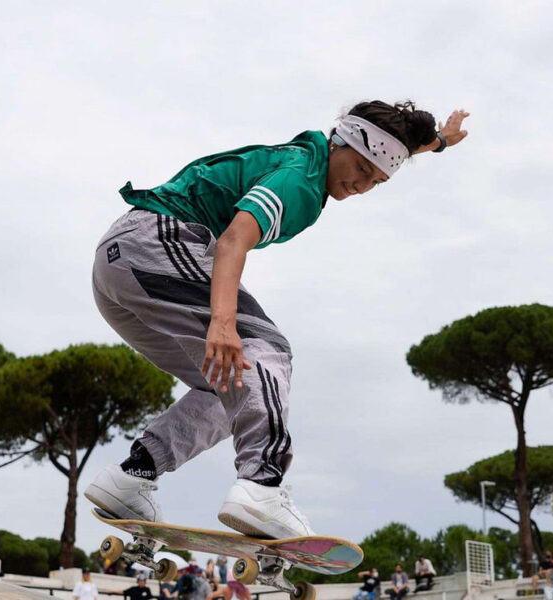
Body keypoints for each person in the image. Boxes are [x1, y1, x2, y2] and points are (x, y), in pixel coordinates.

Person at [84, 99, 470, 538]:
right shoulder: (301, 182)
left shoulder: (312, 160)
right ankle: (262, 486)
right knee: (265, 352)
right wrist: (224, 323)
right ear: (339, 143)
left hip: (119, 269)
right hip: (157, 242)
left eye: (376, 181)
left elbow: (387, 150)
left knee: (228, 379)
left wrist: (438, 143)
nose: (362, 185)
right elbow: (233, 241)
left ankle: (132, 475)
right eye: (360, 170)